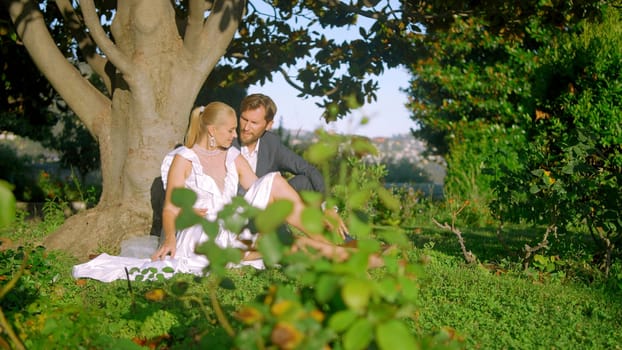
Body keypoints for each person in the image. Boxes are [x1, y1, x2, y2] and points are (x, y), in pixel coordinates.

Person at [72, 102, 378, 282]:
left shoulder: (232, 156)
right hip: (200, 237)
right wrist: (168, 238)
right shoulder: (184, 159)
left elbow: (260, 187)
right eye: (231, 129)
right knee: (279, 213)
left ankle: (334, 250)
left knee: (273, 180)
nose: (237, 134)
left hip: (231, 231)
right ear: (211, 130)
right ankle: (341, 253)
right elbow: (169, 208)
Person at [233, 93, 352, 241]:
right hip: (237, 213)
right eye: (244, 119)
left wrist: (327, 206)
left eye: (254, 123)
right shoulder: (228, 140)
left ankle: (335, 234)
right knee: (275, 181)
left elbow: (308, 169)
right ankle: (321, 241)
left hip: (268, 207)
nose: (246, 127)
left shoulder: (271, 144)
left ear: (268, 125)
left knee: (304, 181)